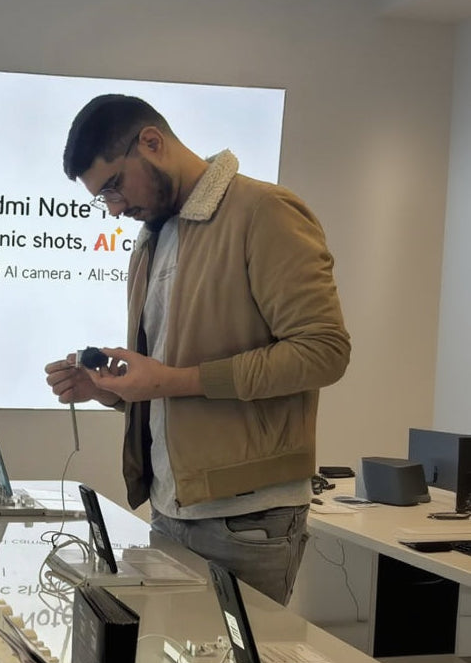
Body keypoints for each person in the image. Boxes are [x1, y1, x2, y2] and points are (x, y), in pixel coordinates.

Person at [45, 94, 350, 605]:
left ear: (152, 142)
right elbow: (168, 371)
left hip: (248, 519)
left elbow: (324, 351)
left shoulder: (265, 211)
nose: (115, 209)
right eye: (104, 198)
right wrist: (108, 389)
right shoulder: (153, 238)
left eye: (115, 185)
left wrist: (175, 381)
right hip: (172, 506)